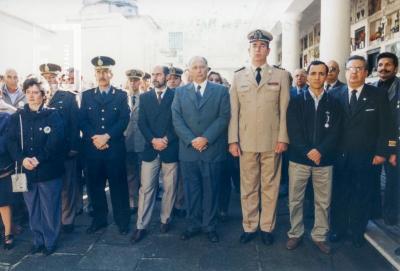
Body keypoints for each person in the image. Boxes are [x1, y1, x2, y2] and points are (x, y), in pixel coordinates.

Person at [228, 29, 290, 245]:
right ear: (249, 49)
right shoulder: (238, 76)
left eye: (262, 45)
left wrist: (283, 138)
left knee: (270, 186)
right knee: (248, 186)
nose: (258, 49)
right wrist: (233, 140)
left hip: (272, 142)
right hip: (245, 142)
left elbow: (284, 110)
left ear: (268, 50)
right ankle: (250, 225)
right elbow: (234, 112)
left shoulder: (281, 75)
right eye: (254, 45)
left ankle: (267, 227)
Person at [330, 55, 392, 248]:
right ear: (345, 72)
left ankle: (357, 231)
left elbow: (387, 127)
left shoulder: (378, 95)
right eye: (350, 68)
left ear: (366, 72)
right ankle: (338, 229)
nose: (354, 72)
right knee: (340, 194)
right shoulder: (335, 94)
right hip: (340, 157)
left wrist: (382, 152)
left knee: (362, 195)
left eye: (359, 68)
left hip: (367, 157)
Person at [172, 56, 230, 243]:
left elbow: (223, 117)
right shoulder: (180, 93)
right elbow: (176, 118)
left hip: (212, 149)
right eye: (195, 67)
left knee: (211, 190)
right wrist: (192, 139)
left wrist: (206, 138)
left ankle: (210, 226)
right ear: (189, 70)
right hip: (189, 150)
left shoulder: (221, 91)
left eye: (202, 67)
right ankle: (193, 224)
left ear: (208, 68)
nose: (199, 70)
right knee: (191, 190)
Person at [286, 60, 341, 254]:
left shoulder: (334, 102)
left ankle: (319, 235)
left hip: (324, 160)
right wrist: (308, 151)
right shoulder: (296, 101)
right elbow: (293, 130)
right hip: (299, 159)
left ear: (326, 76)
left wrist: (320, 151)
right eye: (313, 73)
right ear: (307, 76)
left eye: (321, 73)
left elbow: (336, 131)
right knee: (295, 199)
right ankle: (295, 233)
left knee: (323, 201)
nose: (317, 77)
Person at [7, 77, 64, 255]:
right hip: (27, 171)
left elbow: (55, 141)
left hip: (48, 170)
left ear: (43, 95)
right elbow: (11, 141)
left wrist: (38, 159)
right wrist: (22, 160)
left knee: (49, 208)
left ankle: (50, 241)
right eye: (28, 92)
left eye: (36, 93)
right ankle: (38, 240)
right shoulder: (18, 116)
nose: (31, 96)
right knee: (32, 208)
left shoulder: (52, 115)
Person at [80, 56, 131, 235]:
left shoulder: (121, 95)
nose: (101, 75)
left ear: (111, 74)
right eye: (98, 72)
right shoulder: (86, 96)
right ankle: (99, 219)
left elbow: (125, 119)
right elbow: (82, 120)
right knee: (95, 187)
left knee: (118, 186)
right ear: (95, 74)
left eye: (104, 72)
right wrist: (96, 138)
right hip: (93, 150)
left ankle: (122, 220)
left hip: (114, 149)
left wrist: (107, 136)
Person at [130, 65, 179, 243]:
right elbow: (142, 123)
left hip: (170, 147)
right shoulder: (145, 97)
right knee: (146, 188)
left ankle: (166, 218)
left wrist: (166, 139)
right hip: (150, 149)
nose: (155, 77)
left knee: (170, 186)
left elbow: (178, 122)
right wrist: (153, 140)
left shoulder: (176, 95)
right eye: (153, 75)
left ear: (167, 76)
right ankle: (141, 225)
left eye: (158, 74)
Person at [40, 63, 81, 234]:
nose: (50, 80)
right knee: (49, 187)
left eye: (53, 77)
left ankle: (67, 220)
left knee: (67, 186)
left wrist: (73, 146)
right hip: (44, 152)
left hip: (64, 149)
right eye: (46, 77)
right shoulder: (38, 96)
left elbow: (74, 123)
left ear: (59, 78)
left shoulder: (68, 97)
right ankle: (51, 219)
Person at [371, 52, 399, 225]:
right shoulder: (372, 88)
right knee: (372, 178)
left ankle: (391, 214)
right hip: (375, 143)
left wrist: (393, 149)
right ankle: (374, 210)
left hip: (397, 143)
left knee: (393, 181)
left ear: (395, 68)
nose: (383, 68)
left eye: (388, 65)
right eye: (380, 65)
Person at [124, 69, 146, 215]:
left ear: (140, 82)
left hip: (142, 142)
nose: (133, 83)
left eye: (136, 80)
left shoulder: (145, 98)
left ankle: (143, 203)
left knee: (143, 175)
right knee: (130, 173)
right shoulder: (122, 97)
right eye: (131, 80)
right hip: (126, 142)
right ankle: (133, 202)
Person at [0, 110, 14, 250]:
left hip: (2, 167)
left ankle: (8, 233)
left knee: (3, 202)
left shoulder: (5, 117)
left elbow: (5, 144)